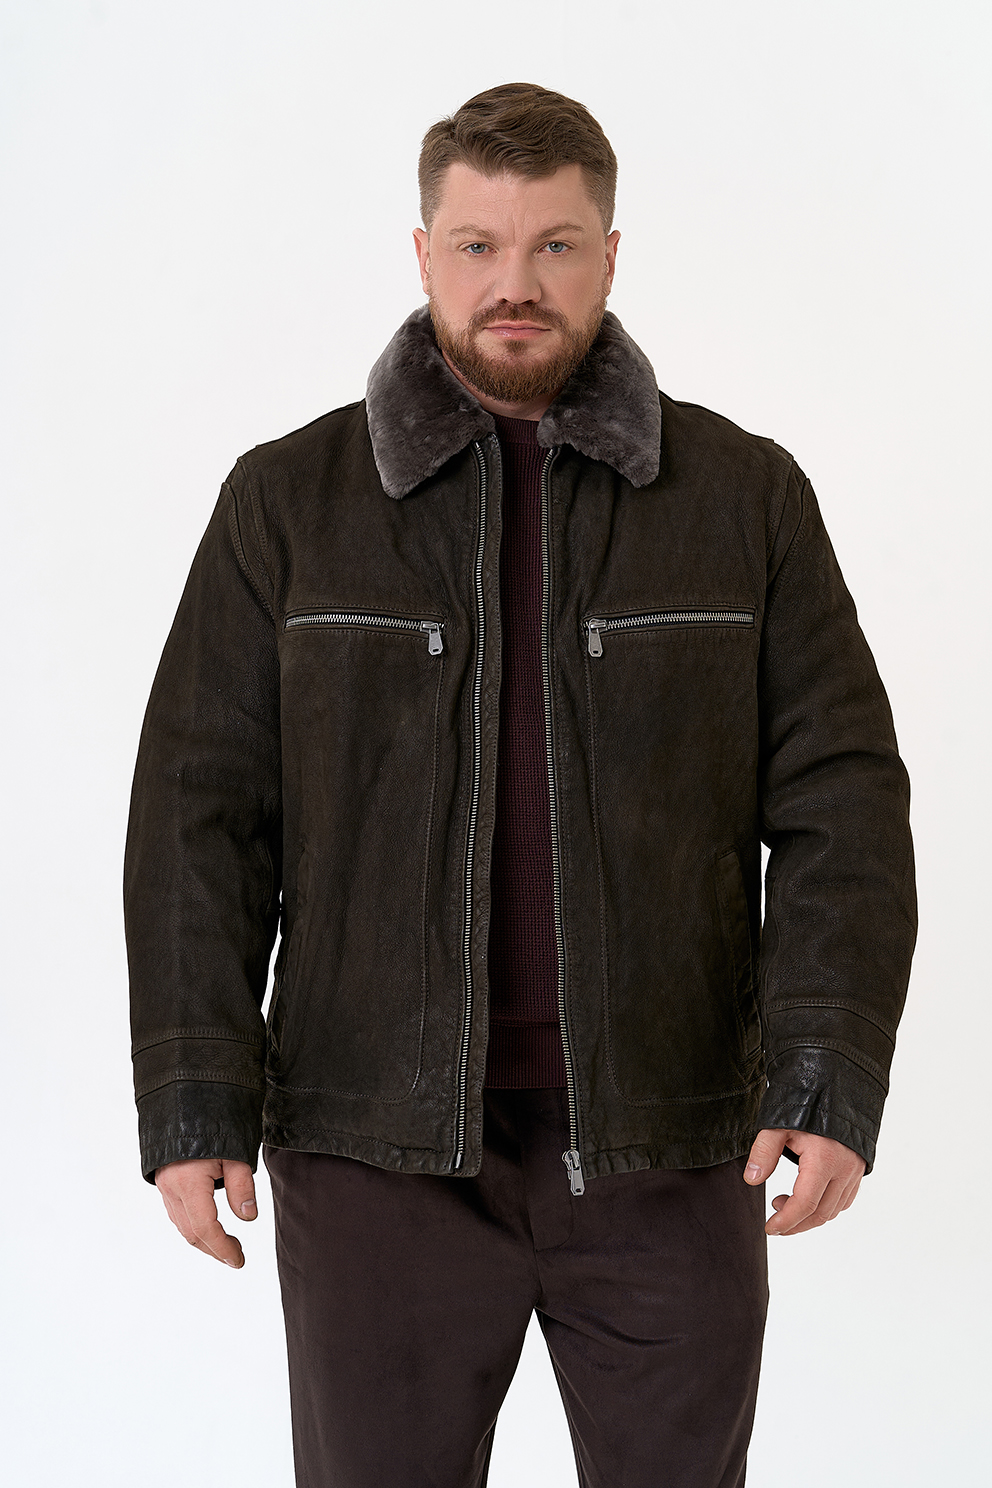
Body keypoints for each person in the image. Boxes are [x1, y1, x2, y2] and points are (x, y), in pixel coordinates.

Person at [125, 82, 917, 1487]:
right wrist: (196, 1095)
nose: (516, 284)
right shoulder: (286, 502)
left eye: (554, 245)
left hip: (674, 1142)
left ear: (610, 254)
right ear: (422, 254)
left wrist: (826, 1069)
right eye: (479, 245)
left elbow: (842, 799)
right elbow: (199, 814)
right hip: (372, 1150)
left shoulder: (745, 497)